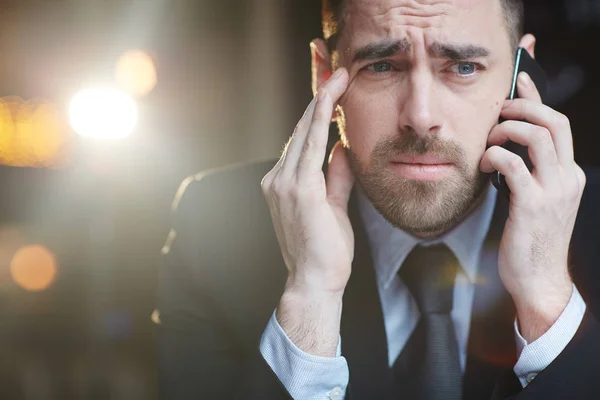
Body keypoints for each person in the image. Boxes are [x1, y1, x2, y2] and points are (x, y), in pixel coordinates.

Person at [155, 0, 600, 398]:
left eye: (463, 66)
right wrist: (309, 300)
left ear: (522, 74)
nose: (421, 117)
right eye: (383, 66)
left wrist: (547, 304)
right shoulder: (214, 228)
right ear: (324, 74)